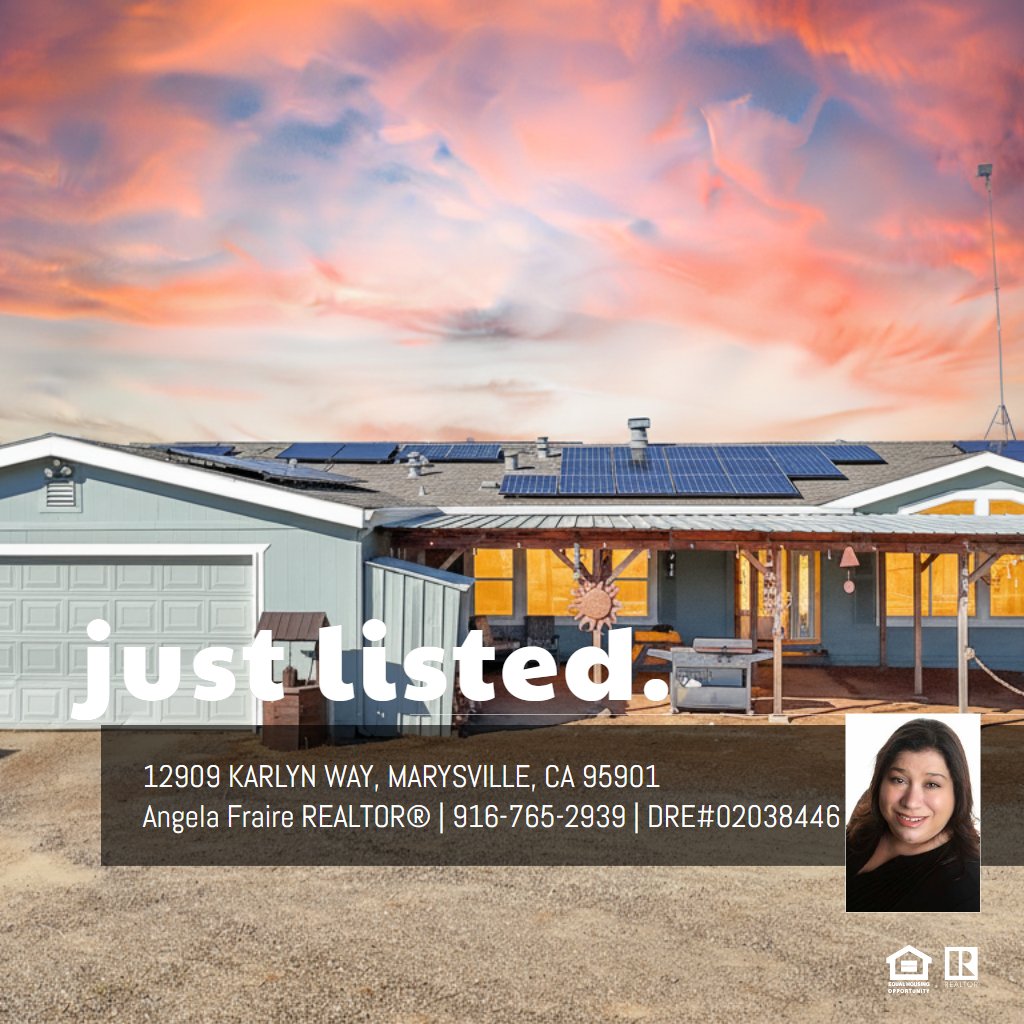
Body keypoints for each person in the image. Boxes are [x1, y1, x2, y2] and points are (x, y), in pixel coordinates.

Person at [846, 718, 980, 912]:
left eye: (931, 784)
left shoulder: (967, 892)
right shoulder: (866, 813)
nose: (911, 802)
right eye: (899, 780)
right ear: (880, 782)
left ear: (957, 793)